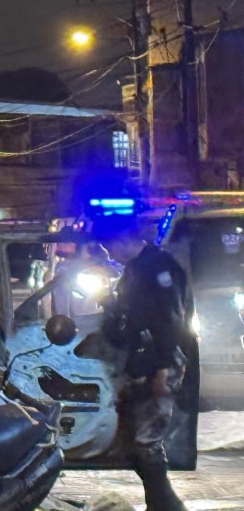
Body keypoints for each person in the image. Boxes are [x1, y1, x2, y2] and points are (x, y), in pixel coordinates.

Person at [94, 215, 188, 511]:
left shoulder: (157, 267)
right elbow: (130, 318)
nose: (110, 256)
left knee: (147, 438)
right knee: (136, 440)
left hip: (160, 361)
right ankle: (160, 502)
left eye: (110, 249)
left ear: (122, 240)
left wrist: (162, 370)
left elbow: (169, 322)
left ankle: (166, 505)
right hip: (141, 362)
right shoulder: (135, 269)